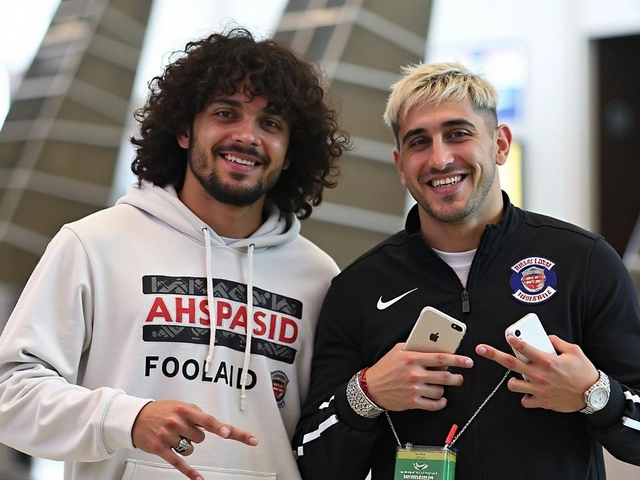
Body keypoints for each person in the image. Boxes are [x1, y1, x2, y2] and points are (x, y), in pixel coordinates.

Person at [0, 27, 350, 480]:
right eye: (227, 113)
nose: (247, 136)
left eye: (271, 123)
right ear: (185, 130)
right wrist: (127, 418)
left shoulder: (318, 276)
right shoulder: (94, 244)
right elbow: (10, 392)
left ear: (289, 152)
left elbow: (324, 428)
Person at [293, 61, 640, 479]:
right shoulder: (359, 288)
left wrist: (594, 394)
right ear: (401, 165)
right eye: (419, 142)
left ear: (500, 144)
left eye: (458, 134)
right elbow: (313, 464)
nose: (440, 158)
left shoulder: (583, 262)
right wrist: (366, 394)